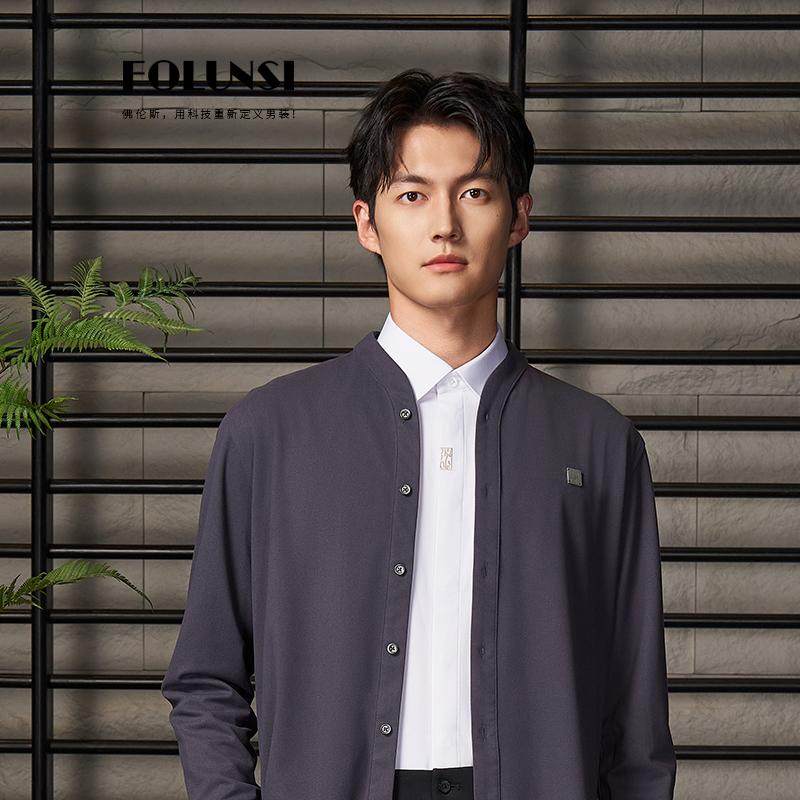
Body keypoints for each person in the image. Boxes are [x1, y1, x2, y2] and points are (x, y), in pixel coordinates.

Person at [161, 68, 677, 800]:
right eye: (412, 195)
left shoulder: (598, 444)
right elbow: (206, 679)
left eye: (475, 192)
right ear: (367, 223)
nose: (445, 225)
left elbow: (636, 719)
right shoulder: (268, 433)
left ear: (519, 217)